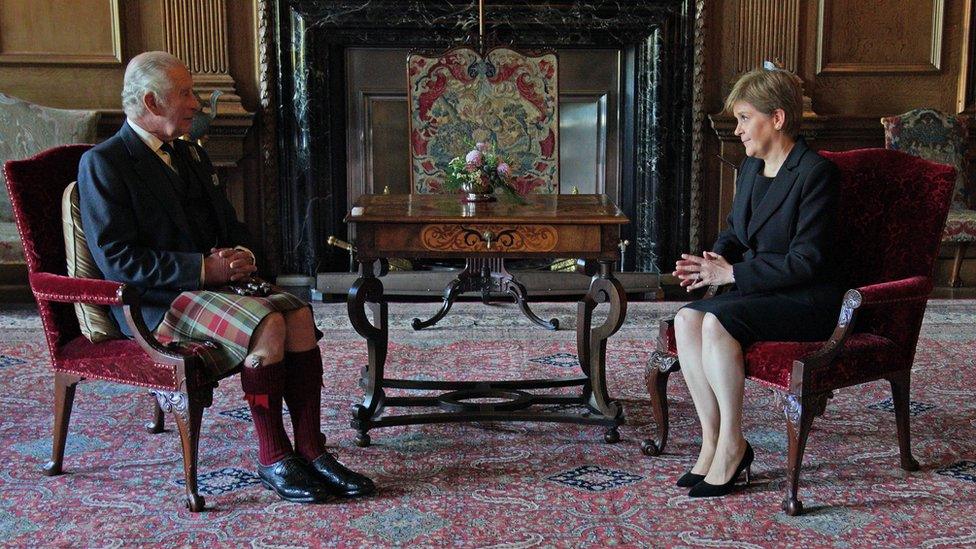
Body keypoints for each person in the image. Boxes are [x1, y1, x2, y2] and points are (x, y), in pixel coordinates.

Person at [78, 51, 374, 504]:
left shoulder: (189, 153)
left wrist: (241, 255)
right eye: (186, 93)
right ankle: (275, 458)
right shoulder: (106, 163)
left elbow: (229, 226)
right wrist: (203, 268)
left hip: (213, 290)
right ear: (152, 102)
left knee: (296, 314)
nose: (195, 103)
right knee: (268, 323)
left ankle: (313, 452)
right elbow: (118, 261)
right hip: (156, 304)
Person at [671, 63, 842, 497]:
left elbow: (808, 261)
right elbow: (735, 231)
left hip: (806, 298)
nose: (739, 129)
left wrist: (731, 273)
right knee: (686, 319)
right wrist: (711, 260)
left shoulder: (815, 173)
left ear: (778, 118)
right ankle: (712, 441)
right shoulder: (750, 169)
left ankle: (733, 443)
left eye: (745, 117)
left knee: (714, 323)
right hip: (758, 287)